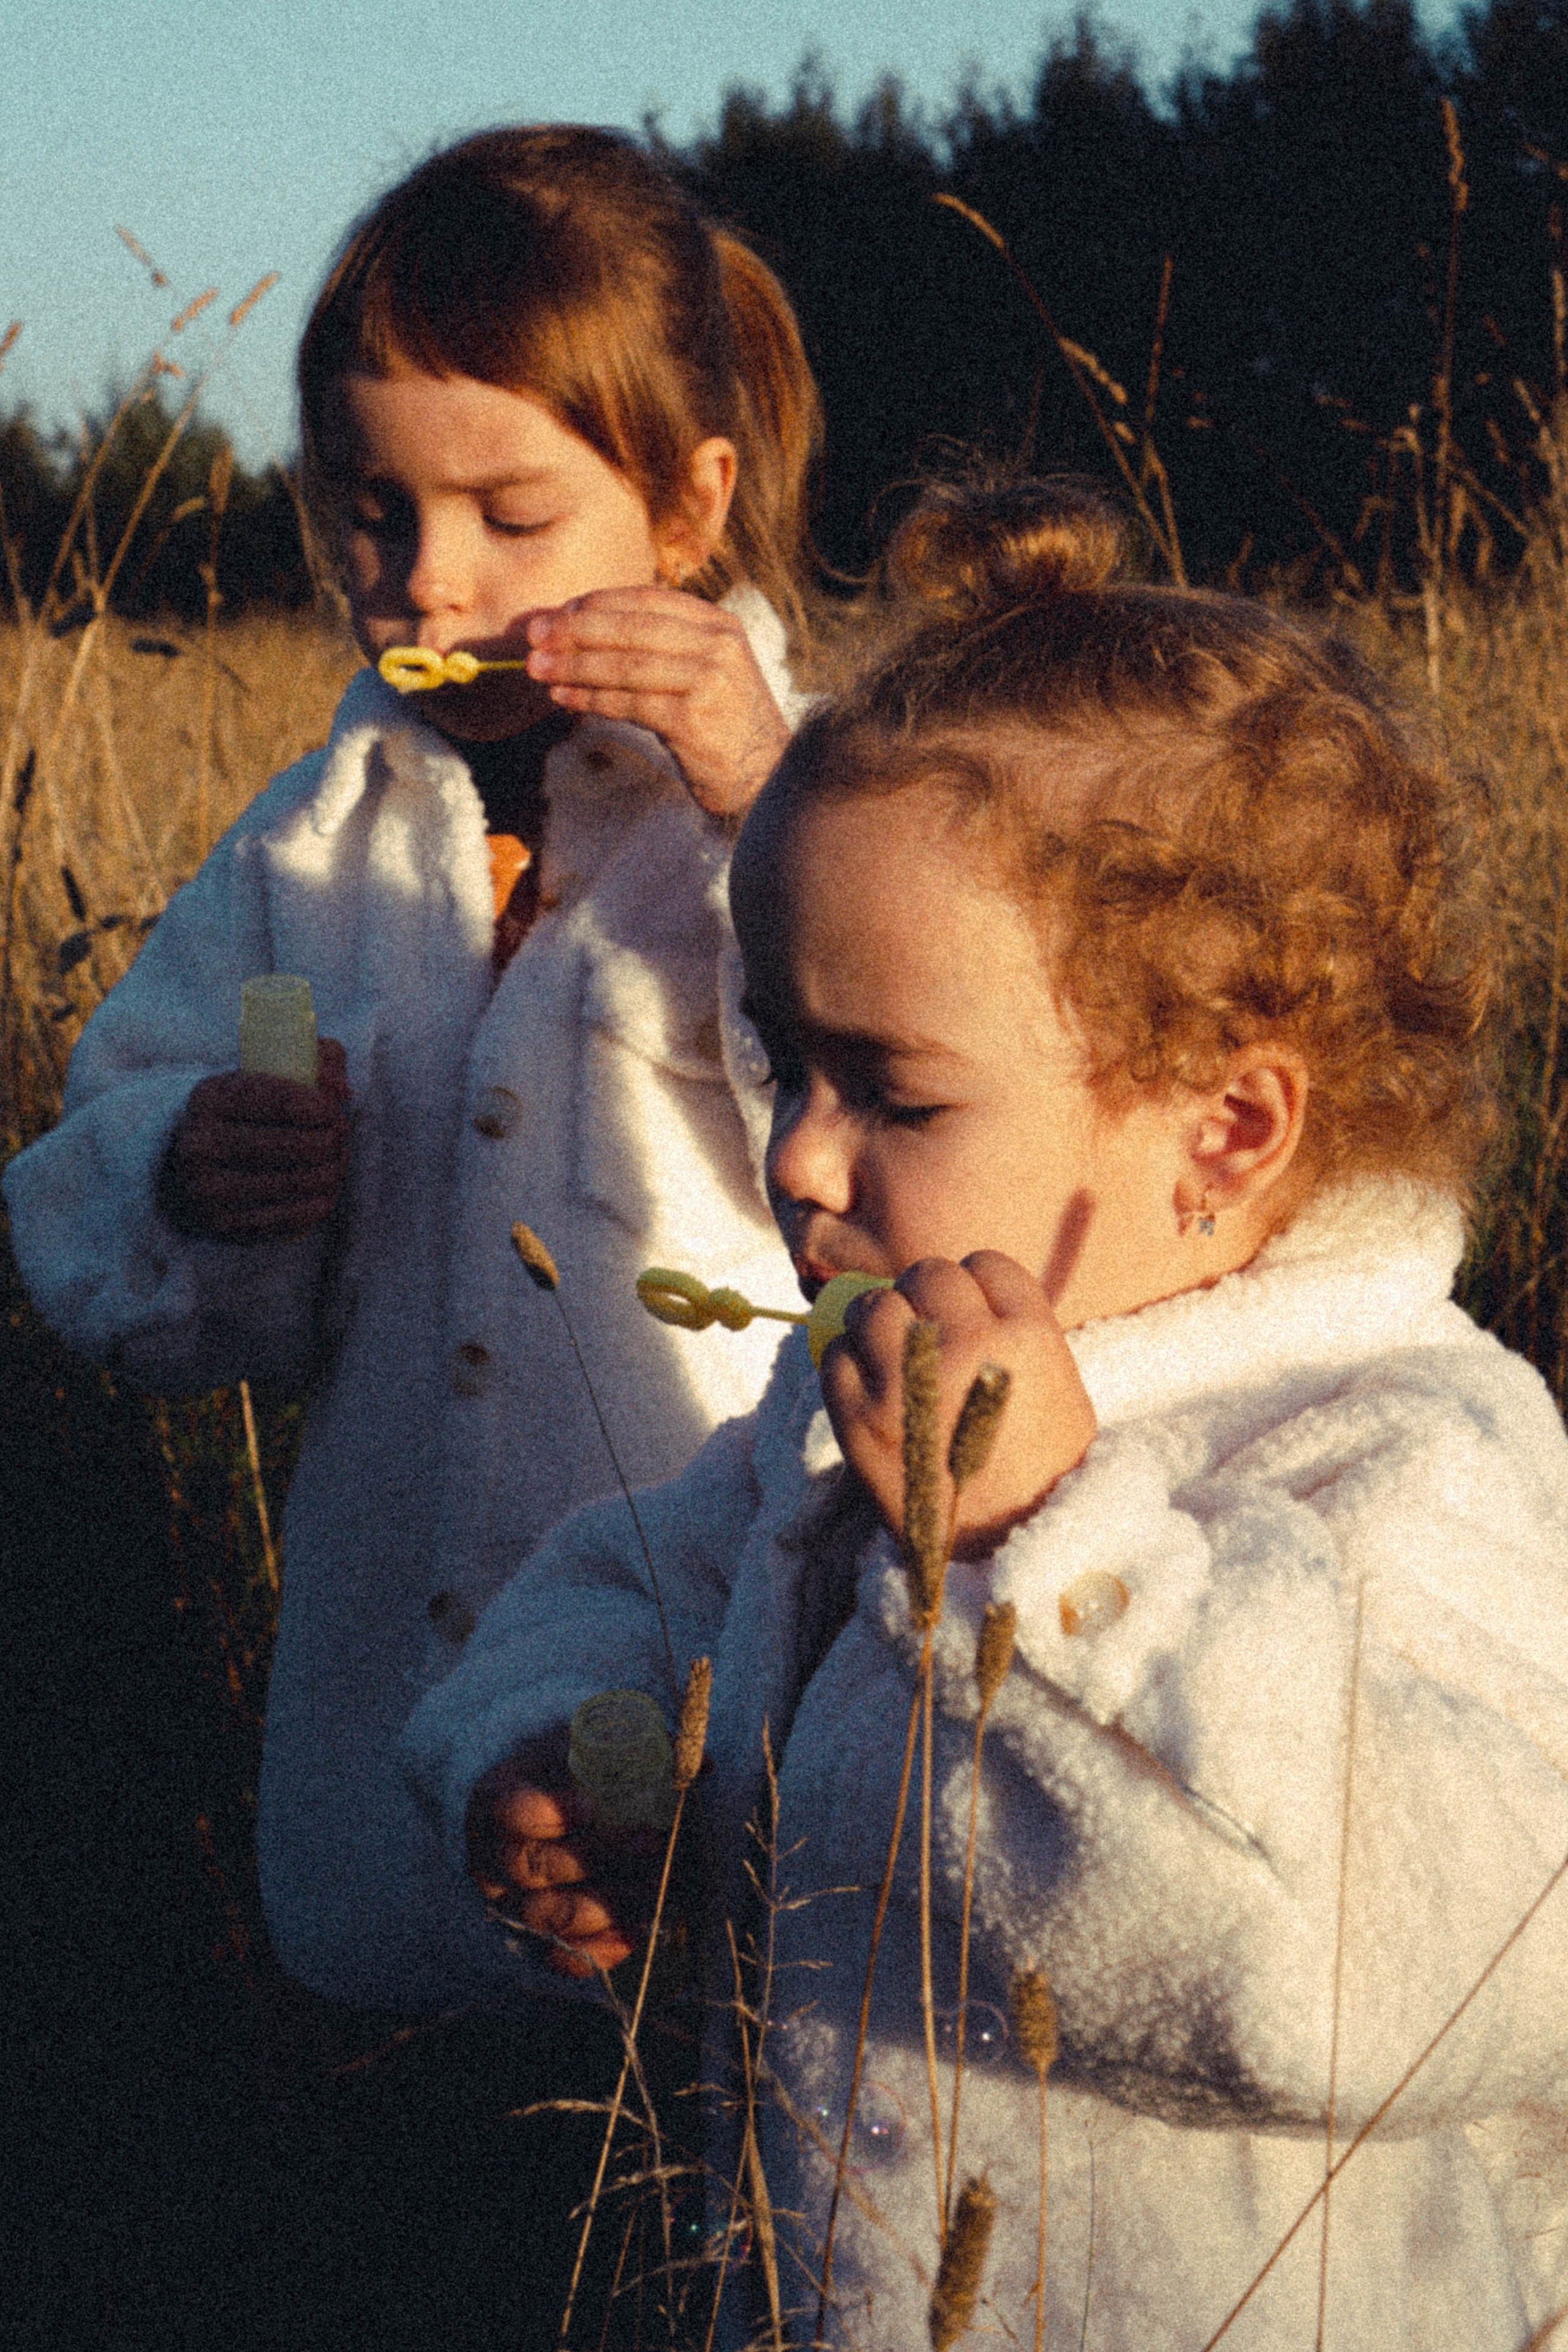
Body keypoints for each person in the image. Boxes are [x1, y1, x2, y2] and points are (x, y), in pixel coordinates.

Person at [402, 481, 1568, 2345]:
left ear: (1226, 1129)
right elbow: (631, 1571)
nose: (796, 1154)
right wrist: (572, 1753)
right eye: (782, 1057)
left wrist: (1055, 1542)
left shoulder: (1402, 1446)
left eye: (895, 1094)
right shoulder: (842, 1403)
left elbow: (1399, 1968)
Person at [3, 126, 820, 2012]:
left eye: (512, 518)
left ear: (688, 513)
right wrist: (186, 1172)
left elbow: (914, 1121)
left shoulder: (823, 801)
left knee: (691, 2044)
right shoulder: (313, 846)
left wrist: (761, 802)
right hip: (398, 1661)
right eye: (378, 511)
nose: (429, 583)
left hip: (705, 1604)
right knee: (436, 2098)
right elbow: (98, 1177)